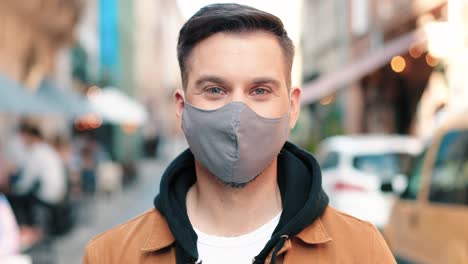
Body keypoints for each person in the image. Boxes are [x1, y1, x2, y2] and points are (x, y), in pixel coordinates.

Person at [83, 4, 396, 264]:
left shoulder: (362, 251)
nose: (237, 114)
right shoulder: (110, 256)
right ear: (181, 108)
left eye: (260, 90)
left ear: (292, 107)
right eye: (215, 89)